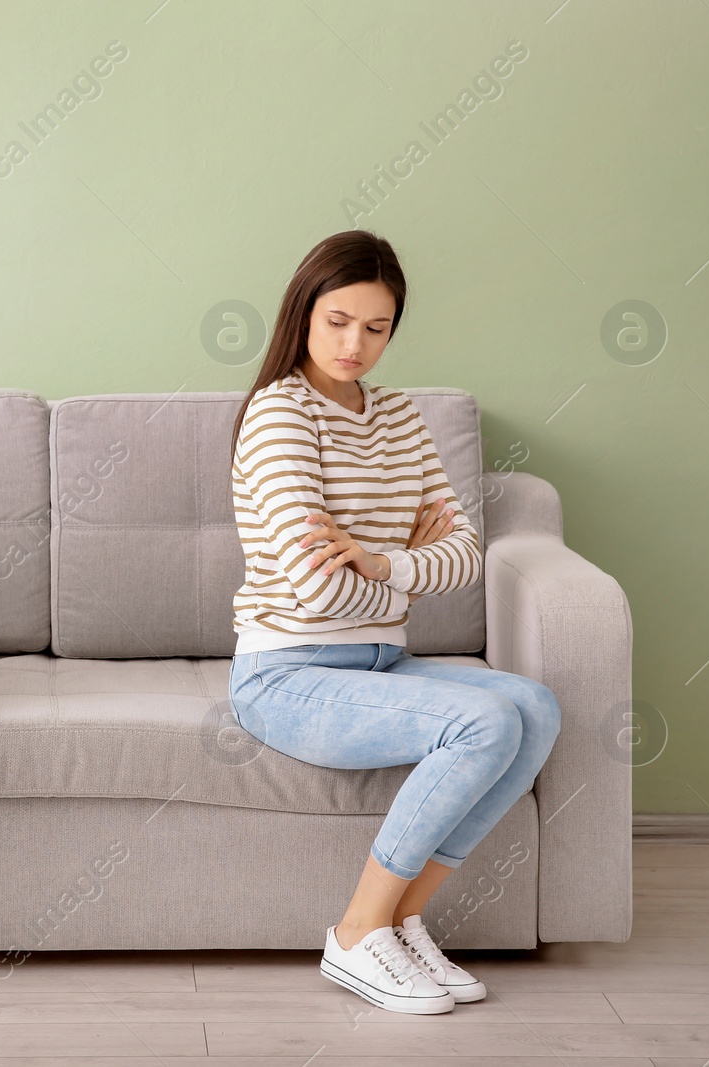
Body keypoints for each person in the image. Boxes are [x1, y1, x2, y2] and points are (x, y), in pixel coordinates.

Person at [227, 229, 561, 1016]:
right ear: (304, 311)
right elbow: (313, 587)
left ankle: (405, 919)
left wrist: (378, 566)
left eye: (377, 328)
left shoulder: (402, 417)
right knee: (482, 719)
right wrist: (407, 574)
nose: (355, 344)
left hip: (379, 664)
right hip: (288, 674)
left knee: (536, 708)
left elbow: (466, 553)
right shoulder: (280, 415)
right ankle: (356, 929)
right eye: (339, 320)